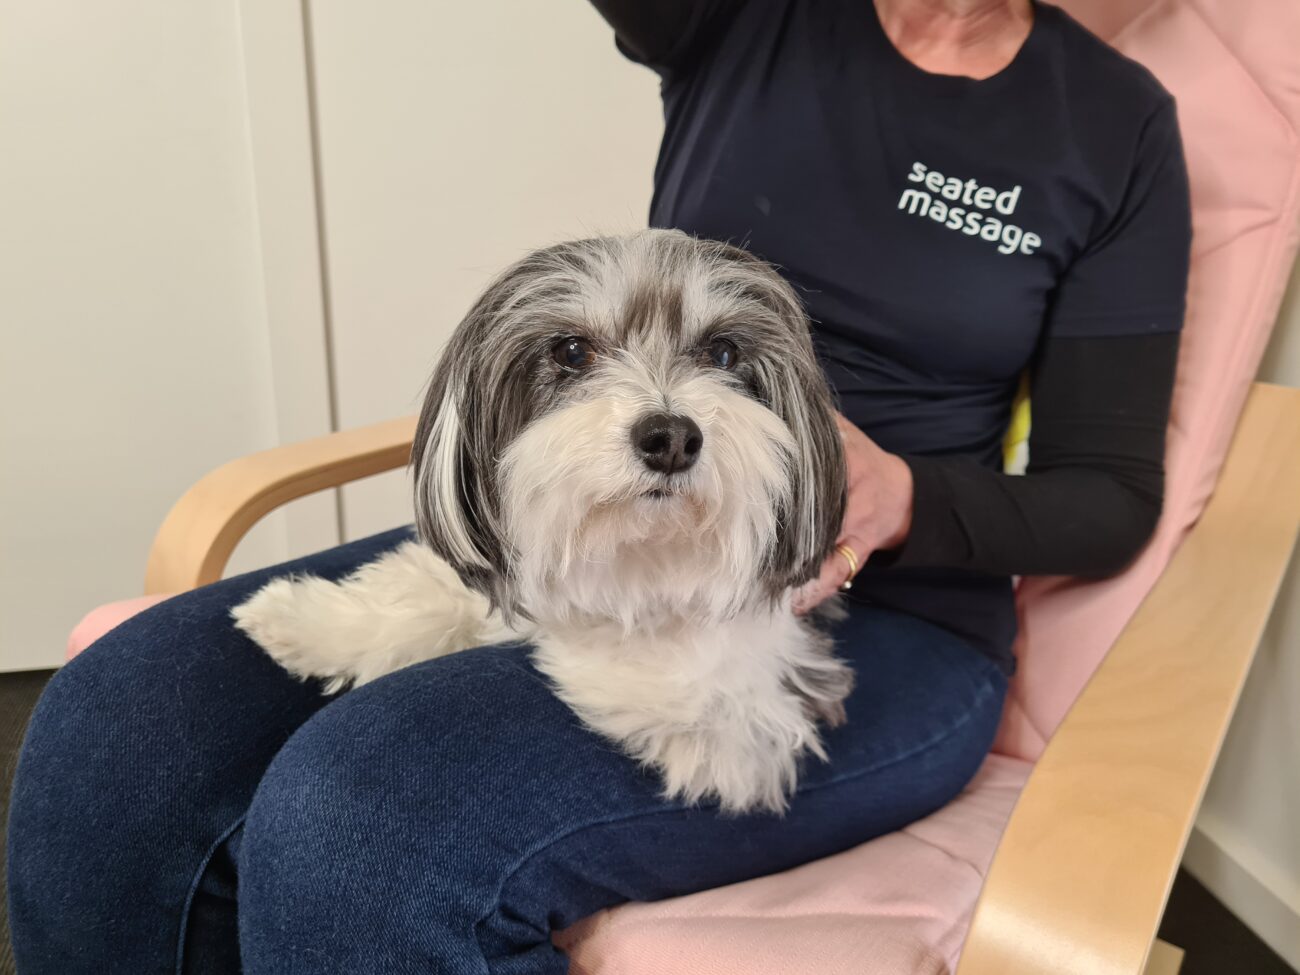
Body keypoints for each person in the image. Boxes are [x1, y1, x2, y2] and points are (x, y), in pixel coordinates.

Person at [6, 0, 1190, 971]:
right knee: (125, 715)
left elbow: (1109, 493)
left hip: (887, 619)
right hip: (608, 532)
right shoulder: (755, 18)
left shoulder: (1113, 125)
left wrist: (902, 500)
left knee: (368, 814)